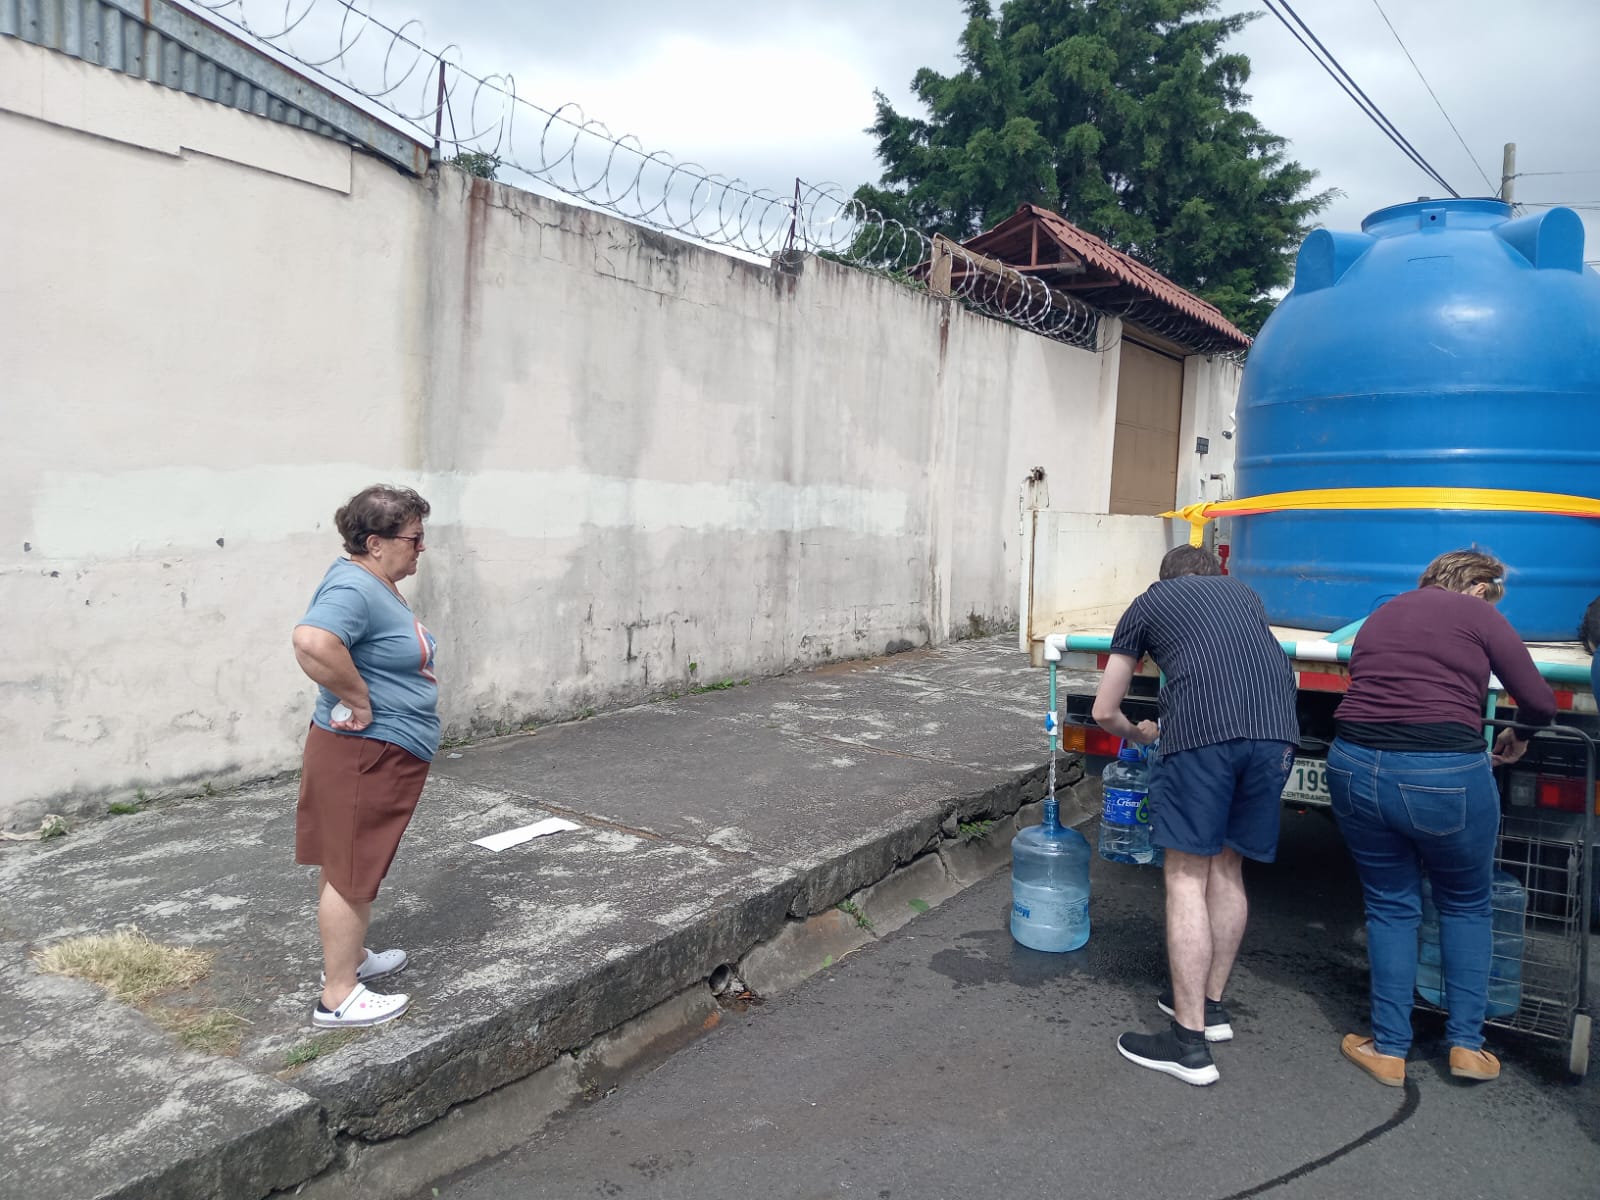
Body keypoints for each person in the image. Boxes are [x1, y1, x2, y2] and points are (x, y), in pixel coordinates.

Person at [1328, 548, 1555, 1087]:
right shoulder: (1478, 613)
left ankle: (1387, 1048)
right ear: (1479, 587)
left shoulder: (1383, 612)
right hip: (1443, 775)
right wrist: (1519, 733)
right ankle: (1466, 1047)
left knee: (1389, 905)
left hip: (1354, 764)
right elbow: (1540, 701)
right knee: (1466, 904)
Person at [1093, 544, 1299, 1085]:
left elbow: (1103, 709)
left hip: (1204, 738)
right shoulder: (1247, 596)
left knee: (1185, 876)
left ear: (1166, 578)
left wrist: (1138, 732)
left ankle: (1187, 1044)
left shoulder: (1149, 602)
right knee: (1228, 868)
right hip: (1276, 736)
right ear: (1218, 574)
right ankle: (1212, 1008)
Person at [292, 485, 440, 1028]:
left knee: (345, 861)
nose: (420, 548)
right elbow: (312, 641)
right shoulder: (355, 586)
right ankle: (338, 994)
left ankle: (350, 958)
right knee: (354, 869)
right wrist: (358, 699)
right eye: (414, 538)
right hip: (367, 751)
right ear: (375, 543)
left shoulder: (367, 582)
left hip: (366, 750)